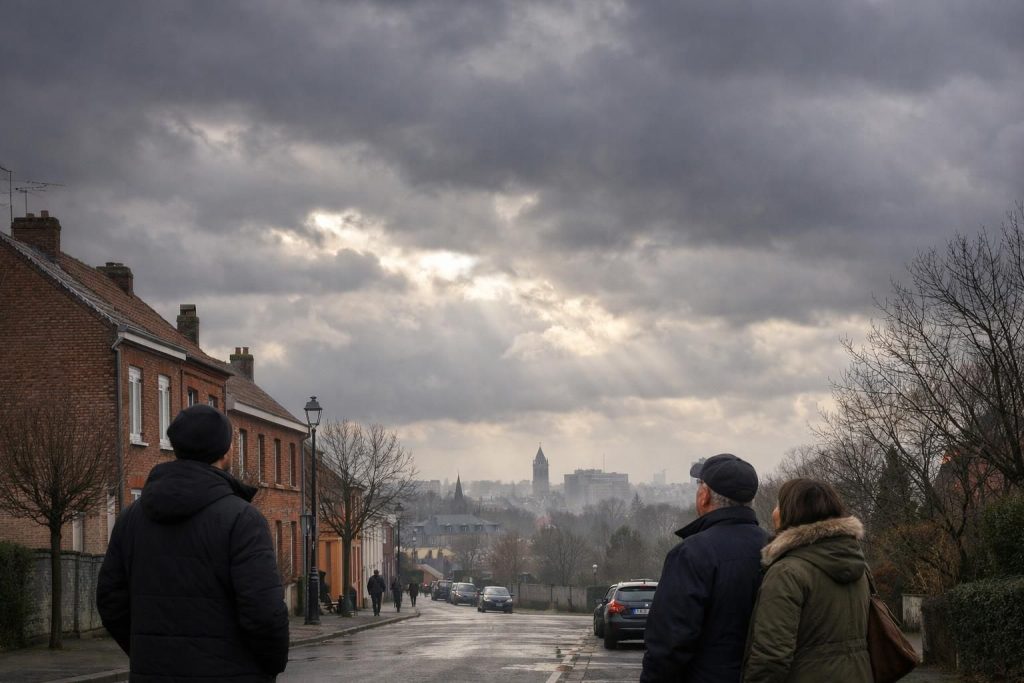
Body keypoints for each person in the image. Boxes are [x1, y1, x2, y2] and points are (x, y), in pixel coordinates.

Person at [97, 405, 289, 681]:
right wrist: (267, 667)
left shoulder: (131, 520)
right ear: (225, 452)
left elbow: (110, 601)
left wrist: (148, 651)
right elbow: (265, 614)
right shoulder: (243, 520)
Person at [642, 453, 769, 682]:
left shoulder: (691, 555)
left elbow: (669, 645)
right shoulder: (774, 548)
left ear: (705, 496)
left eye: (699, 484)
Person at [742, 478, 871, 682]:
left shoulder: (787, 572)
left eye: (778, 504)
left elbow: (771, 656)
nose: (774, 511)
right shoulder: (859, 566)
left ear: (791, 512)